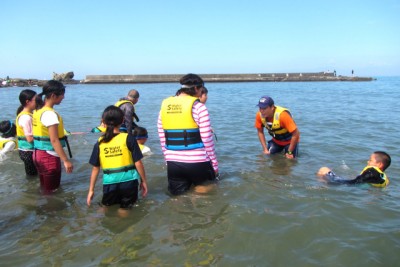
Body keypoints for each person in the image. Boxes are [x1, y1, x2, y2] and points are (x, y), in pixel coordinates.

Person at [158, 73, 219, 195]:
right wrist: (214, 163)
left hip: (173, 162)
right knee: (208, 187)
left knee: (177, 197)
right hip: (198, 161)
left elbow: (162, 136)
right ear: (196, 88)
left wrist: (167, 159)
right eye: (201, 89)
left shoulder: (164, 107)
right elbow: (206, 138)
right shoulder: (199, 107)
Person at [87, 106, 148, 214]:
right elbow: (138, 163)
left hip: (109, 183)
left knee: (105, 206)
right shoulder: (128, 138)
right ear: (123, 121)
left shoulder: (100, 141)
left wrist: (91, 190)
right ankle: (123, 227)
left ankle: (93, 221)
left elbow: (95, 168)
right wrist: (143, 181)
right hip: (129, 182)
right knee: (124, 209)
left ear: (103, 122)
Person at [33, 80, 73, 193]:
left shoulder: (38, 110)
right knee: (52, 192)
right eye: (62, 94)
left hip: (38, 153)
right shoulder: (49, 114)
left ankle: (42, 209)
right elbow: (54, 140)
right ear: (53, 95)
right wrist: (66, 160)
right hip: (48, 156)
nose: (63, 97)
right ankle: (52, 210)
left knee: (45, 189)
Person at [317, 151, 391, 187]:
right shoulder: (383, 177)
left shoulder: (371, 171)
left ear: (379, 164)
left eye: (370, 160)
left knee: (323, 169)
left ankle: (322, 185)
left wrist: (332, 182)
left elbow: (354, 182)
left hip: (346, 185)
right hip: (361, 186)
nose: (368, 161)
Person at [16, 89, 38, 175]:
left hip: (24, 150)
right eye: (36, 100)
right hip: (28, 151)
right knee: (33, 176)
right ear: (28, 102)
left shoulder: (24, 114)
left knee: (32, 175)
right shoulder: (26, 117)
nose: (38, 102)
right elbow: (29, 138)